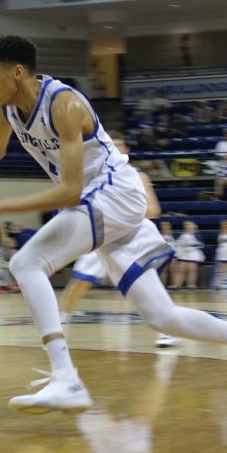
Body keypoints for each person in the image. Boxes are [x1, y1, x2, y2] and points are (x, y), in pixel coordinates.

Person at [0, 36, 227, 413]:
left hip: (115, 193)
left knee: (26, 263)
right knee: (163, 317)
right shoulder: (4, 107)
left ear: (18, 72)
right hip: (99, 205)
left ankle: (66, 378)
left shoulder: (64, 104)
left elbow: (71, 192)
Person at [57, 131, 161, 330]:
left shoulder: (138, 176)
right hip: (103, 235)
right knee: (79, 282)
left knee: (145, 289)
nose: (114, 149)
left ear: (126, 151)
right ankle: (59, 326)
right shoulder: (94, 177)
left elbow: (154, 210)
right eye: (111, 145)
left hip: (130, 236)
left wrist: (122, 213)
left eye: (118, 146)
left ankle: (167, 332)